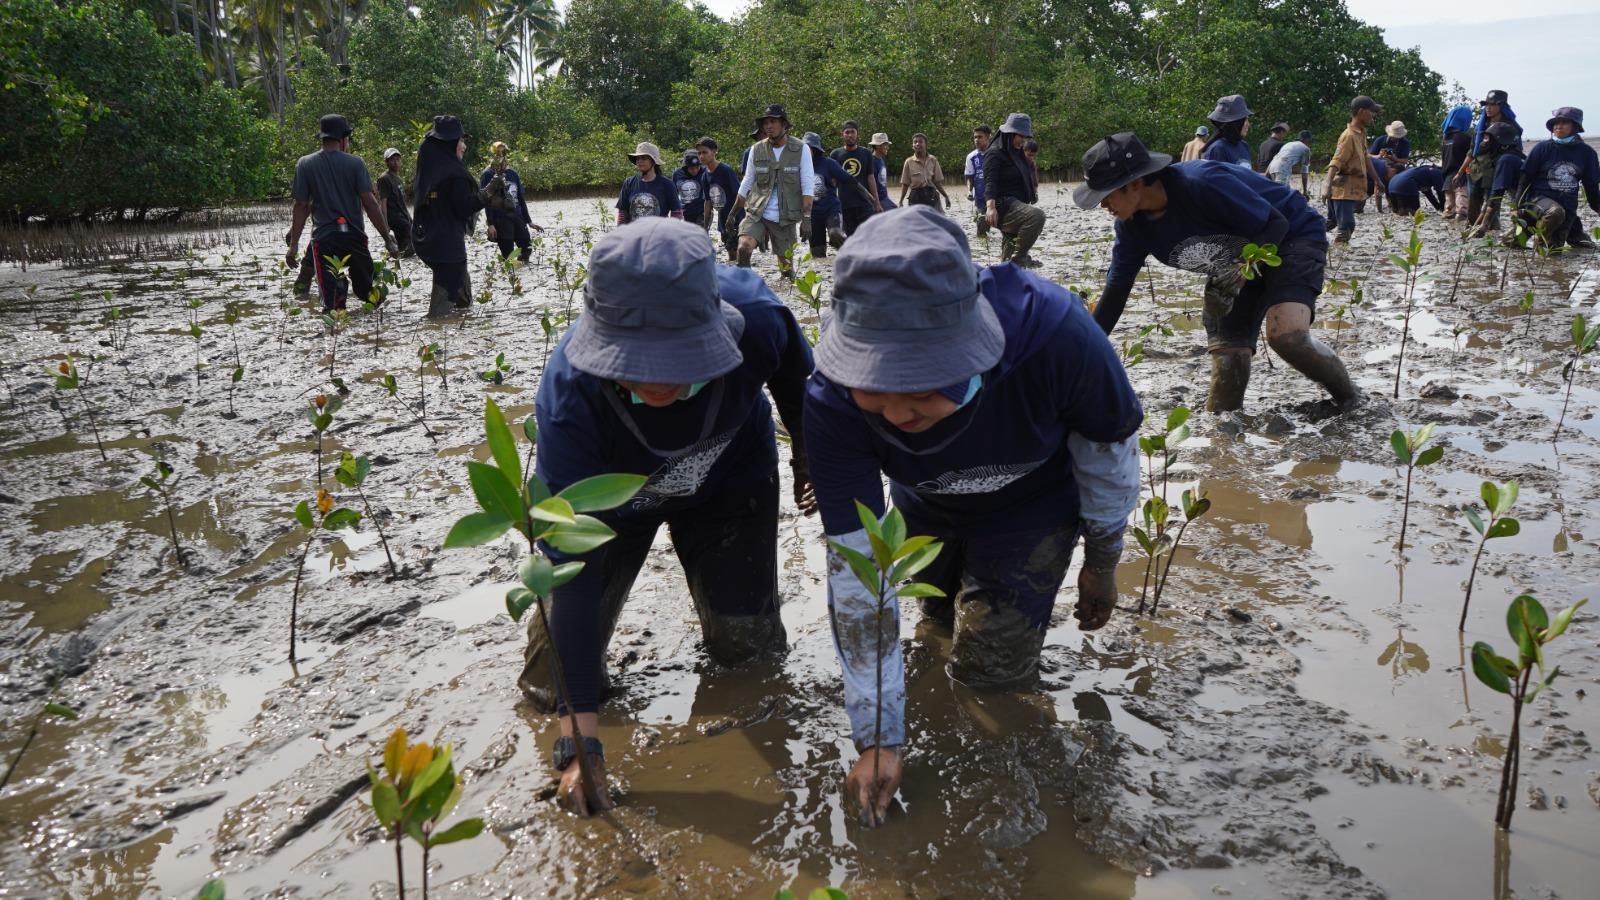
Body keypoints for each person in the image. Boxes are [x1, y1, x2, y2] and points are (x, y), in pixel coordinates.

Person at [804, 205, 1142, 827]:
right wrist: (878, 735)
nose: (898, 414)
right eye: (876, 392)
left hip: (1032, 507)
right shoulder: (829, 397)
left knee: (990, 672)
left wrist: (1102, 561)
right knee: (934, 624)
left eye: (924, 389)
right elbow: (857, 566)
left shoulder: (1055, 333)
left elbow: (1107, 455)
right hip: (924, 502)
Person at [520, 217, 816, 815]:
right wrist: (581, 745)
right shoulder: (572, 392)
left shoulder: (756, 321)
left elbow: (796, 380)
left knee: (747, 650)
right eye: (637, 363)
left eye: (678, 360)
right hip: (611, 509)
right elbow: (571, 565)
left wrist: (808, 455)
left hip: (728, 480)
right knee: (552, 682)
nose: (657, 381)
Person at [1077, 132, 1358, 412]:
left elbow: (1275, 222)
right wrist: (1082, 351)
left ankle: (1351, 401)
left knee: (1286, 336)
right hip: (1234, 263)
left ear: (1135, 183)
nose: (1102, 205)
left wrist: (1242, 269)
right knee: (1227, 365)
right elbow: (1116, 291)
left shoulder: (1201, 184)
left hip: (1291, 237)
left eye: (1106, 195)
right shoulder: (1131, 228)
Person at [285, 114, 397, 312]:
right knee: (367, 292)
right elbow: (370, 203)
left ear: (322, 137)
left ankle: (337, 323)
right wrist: (387, 237)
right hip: (354, 236)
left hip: (324, 239)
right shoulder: (356, 163)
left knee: (332, 302)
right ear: (343, 139)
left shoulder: (305, 164)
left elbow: (301, 206)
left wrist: (293, 246)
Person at [411, 115, 508, 317]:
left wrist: (491, 198)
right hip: (448, 248)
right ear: (450, 144)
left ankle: (458, 333)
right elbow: (465, 207)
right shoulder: (454, 175)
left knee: (463, 302)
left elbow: (449, 205)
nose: (464, 146)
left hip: (431, 240)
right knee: (441, 311)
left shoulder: (432, 171)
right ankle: (436, 337)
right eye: (461, 141)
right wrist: (488, 190)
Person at [731, 104, 815, 277]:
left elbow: (808, 185)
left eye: (773, 122)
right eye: (765, 123)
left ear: (784, 124)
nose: (768, 126)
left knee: (786, 270)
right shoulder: (757, 149)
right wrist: (733, 212)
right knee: (743, 248)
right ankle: (747, 290)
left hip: (785, 217)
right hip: (757, 212)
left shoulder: (801, 149)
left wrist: (807, 218)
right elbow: (747, 180)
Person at [1513, 107, 1600, 249]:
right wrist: (1517, 205)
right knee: (1512, 244)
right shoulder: (1542, 148)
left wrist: (1598, 207)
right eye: (1556, 123)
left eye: (1564, 122)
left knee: (1552, 252)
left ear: (1575, 127)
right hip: (1537, 204)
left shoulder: (1587, 153)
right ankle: (1537, 246)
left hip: (1566, 210)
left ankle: (1546, 246)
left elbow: (1591, 187)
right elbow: (1525, 178)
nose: (1558, 126)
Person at [983, 113, 1045, 267]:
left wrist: (1033, 192)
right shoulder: (995, 153)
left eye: (1026, 137)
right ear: (1010, 133)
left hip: (1018, 204)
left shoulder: (1017, 152)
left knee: (1009, 247)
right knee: (1037, 216)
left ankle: (1006, 272)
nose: (1024, 140)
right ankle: (1018, 261)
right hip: (1003, 206)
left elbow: (1027, 173)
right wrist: (990, 208)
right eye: (1021, 136)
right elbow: (990, 182)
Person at [1326, 95, 1384, 243]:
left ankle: (1305, 237)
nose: (1373, 115)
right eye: (1371, 111)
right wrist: (1326, 184)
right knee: (1346, 226)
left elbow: (1366, 158)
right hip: (1342, 190)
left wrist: (1377, 180)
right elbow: (1336, 161)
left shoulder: (1361, 133)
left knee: (1332, 222)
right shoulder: (1349, 136)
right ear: (1361, 111)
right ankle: (1339, 255)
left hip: (1351, 189)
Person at [1463, 90, 1522, 227]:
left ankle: (1491, 228)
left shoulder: (1509, 126)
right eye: (1486, 105)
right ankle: (1471, 227)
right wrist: (1461, 171)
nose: (1488, 108)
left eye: (1492, 105)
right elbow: (1472, 150)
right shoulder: (1481, 125)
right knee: (1473, 199)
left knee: (1493, 201)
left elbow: (1513, 150)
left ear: (1501, 106)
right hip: (1477, 169)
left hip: (1496, 169)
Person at [802, 132, 860, 259]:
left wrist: (870, 199)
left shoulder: (829, 163)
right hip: (812, 214)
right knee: (817, 255)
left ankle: (851, 259)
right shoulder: (798, 167)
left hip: (831, 209)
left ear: (815, 149)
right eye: (803, 149)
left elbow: (850, 180)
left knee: (835, 234)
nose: (805, 152)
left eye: (808, 149)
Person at [1466, 121, 1526, 241]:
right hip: (1524, 200)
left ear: (1501, 143)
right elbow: (1493, 198)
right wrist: (1477, 225)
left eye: (1488, 138)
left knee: (1511, 240)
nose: (1483, 142)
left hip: (1531, 203)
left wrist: (1483, 226)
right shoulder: (1512, 156)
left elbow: (1496, 196)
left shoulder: (1506, 160)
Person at [481, 141, 541, 261]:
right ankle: (511, 276)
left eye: (503, 152)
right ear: (492, 156)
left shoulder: (513, 173)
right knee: (508, 256)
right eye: (497, 153)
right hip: (500, 219)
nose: (501, 156)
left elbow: (520, 199)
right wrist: (491, 224)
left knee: (527, 249)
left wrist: (529, 221)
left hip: (517, 216)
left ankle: (521, 275)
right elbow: (486, 201)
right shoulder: (487, 174)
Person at [831, 121, 884, 236]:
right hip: (844, 205)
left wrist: (877, 202)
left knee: (867, 237)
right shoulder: (835, 154)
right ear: (842, 134)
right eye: (847, 132)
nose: (850, 135)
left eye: (853, 132)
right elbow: (833, 183)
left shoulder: (866, 153)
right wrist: (832, 206)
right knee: (851, 239)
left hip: (864, 203)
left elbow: (871, 178)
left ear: (857, 134)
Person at [697, 138, 742, 261]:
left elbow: (740, 195)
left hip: (735, 218)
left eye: (705, 152)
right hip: (722, 219)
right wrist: (705, 227)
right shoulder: (705, 176)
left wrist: (733, 216)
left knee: (735, 252)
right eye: (699, 153)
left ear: (714, 151)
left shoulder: (725, 170)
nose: (701, 156)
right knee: (731, 253)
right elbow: (708, 201)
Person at [616, 142, 682, 225]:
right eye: (637, 158)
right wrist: (621, 233)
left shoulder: (667, 184)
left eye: (643, 158)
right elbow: (622, 213)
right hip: (634, 234)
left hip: (658, 235)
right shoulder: (629, 183)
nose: (639, 161)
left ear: (654, 161)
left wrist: (670, 233)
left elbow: (677, 212)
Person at [898, 133, 952, 209]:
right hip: (916, 197)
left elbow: (937, 182)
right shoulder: (909, 162)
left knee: (936, 219)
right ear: (912, 146)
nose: (917, 144)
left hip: (931, 196)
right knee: (917, 220)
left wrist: (946, 196)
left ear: (926, 145)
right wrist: (901, 201)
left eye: (920, 142)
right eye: (915, 142)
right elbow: (905, 184)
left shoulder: (933, 160)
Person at [376, 148, 413, 257]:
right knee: (408, 233)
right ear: (386, 162)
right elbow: (383, 204)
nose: (396, 162)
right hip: (394, 216)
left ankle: (399, 247)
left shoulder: (398, 178)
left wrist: (409, 217)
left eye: (398, 159)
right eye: (392, 160)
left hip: (402, 215)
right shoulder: (384, 179)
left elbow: (402, 202)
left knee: (415, 230)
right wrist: (385, 225)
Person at [1440, 104, 1474, 219]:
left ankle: (1448, 214)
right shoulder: (1465, 138)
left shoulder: (1445, 139)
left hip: (1447, 174)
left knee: (1449, 205)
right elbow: (1471, 156)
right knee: (1461, 203)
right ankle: (1460, 216)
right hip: (1461, 173)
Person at [1202, 95, 1254, 168]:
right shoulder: (1218, 149)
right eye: (1245, 120)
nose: (1248, 124)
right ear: (1235, 123)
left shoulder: (1244, 146)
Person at [673, 149, 714, 230]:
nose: (695, 170)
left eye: (697, 167)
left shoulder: (706, 172)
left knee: (700, 235)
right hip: (686, 211)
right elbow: (674, 194)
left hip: (703, 211)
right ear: (685, 167)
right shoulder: (677, 174)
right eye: (691, 168)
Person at [965, 125, 991, 235]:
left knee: (1007, 231)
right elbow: (969, 177)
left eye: (980, 137)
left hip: (998, 197)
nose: (976, 140)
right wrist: (969, 191)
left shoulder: (997, 153)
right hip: (980, 198)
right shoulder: (971, 157)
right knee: (981, 230)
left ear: (988, 137)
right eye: (975, 137)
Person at [869, 133, 897, 211]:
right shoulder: (872, 161)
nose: (887, 147)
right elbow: (870, 182)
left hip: (884, 198)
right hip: (877, 201)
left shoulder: (881, 159)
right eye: (885, 144)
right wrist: (876, 204)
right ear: (878, 146)